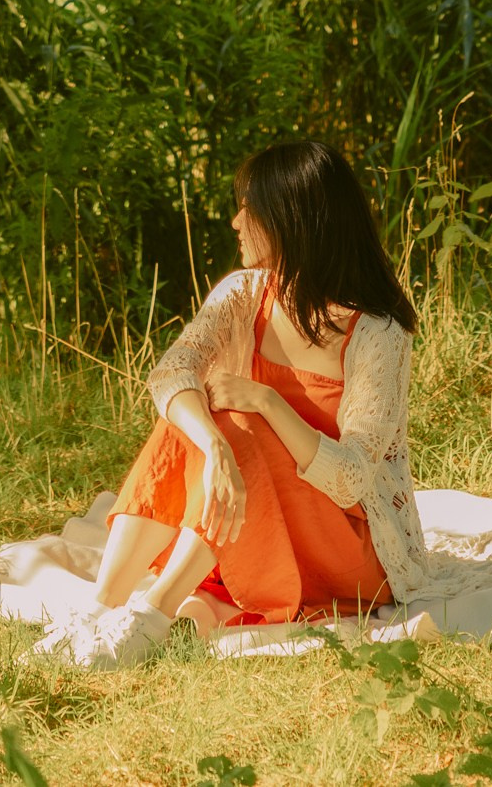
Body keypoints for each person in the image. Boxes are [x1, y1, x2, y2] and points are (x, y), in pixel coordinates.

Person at [47, 139, 432, 668]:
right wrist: (211, 441)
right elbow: (171, 374)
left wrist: (270, 402)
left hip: (347, 544)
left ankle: (150, 617)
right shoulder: (243, 294)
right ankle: (99, 609)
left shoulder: (377, 334)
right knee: (193, 417)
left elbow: (352, 481)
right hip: (259, 516)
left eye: (249, 208)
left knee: (239, 420)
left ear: (292, 218)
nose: (235, 221)